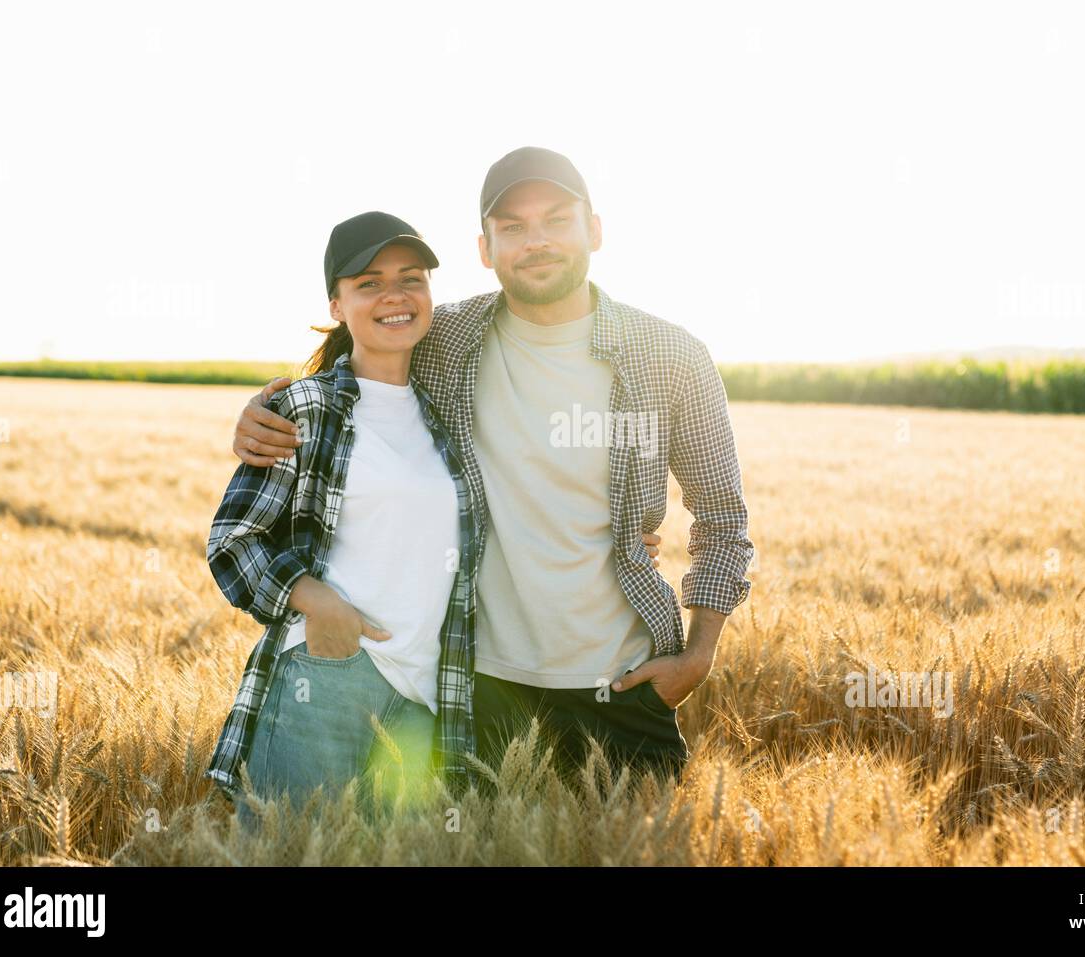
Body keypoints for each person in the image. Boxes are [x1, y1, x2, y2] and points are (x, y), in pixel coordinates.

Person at [226, 147, 752, 791]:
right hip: (479, 688)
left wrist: (699, 654)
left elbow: (723, 517)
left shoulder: (671, 356)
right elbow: (363, 354)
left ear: (595, 229)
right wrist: (265, 412)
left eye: (556, 220)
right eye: (513, 227)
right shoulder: (448, 338)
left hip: (622, 681)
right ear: (485, 247)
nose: (536, 242)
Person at [203, 211, 478, 826]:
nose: (395, 296)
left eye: (411, 278)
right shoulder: (305, 407)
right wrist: (320, 605)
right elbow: (233, 542)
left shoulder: (444, 418)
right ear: (336, 303)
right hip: (328, 674)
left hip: (426, 695)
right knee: (284, 852)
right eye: (369, 282)